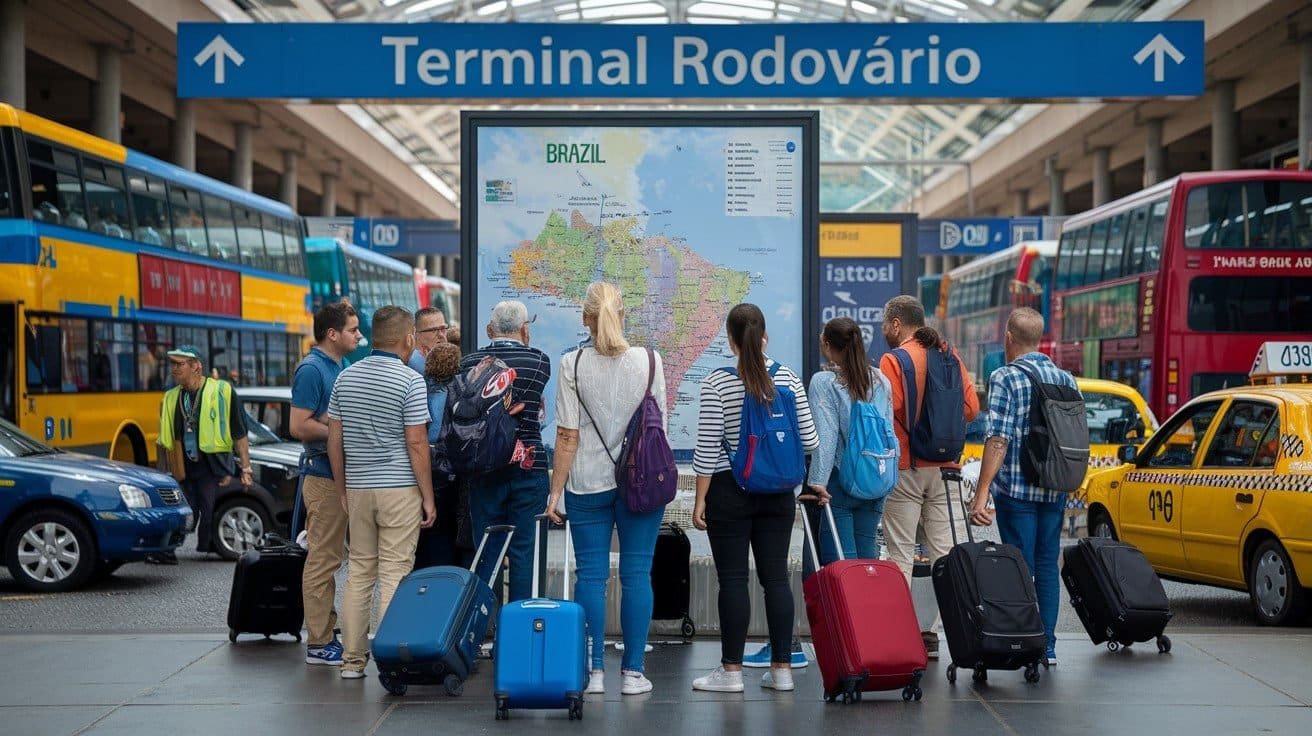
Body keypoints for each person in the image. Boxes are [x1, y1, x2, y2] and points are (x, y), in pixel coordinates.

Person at [545, 282, 668, 697]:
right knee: (637, 574)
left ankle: (595, 671)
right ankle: (633, 673)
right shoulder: (651, 361)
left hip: (586, 482)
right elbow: (659, 430)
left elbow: (566, 435)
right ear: (623, 314)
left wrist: (554, 492)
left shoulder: (572, 364)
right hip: (640, 484)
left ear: (586, 318)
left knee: (592, 577)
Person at [691, 303, 818, 693]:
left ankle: (730, 673)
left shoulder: (717, 382)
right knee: (776, 579)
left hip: (731, 491)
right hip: (779, 493)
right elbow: (810, 440)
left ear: (730, 338)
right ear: (765, 336)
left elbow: (707, 451)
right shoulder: (788, 379)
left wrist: (699, 503)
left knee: (732, 581)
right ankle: (781, 670)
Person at [327, 306, 436, 680]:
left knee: (359, 573)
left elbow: (334, 440)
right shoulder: (410, 381)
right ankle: (390, 661)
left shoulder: (345, 378)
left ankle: (352, 662)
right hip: (399, 489)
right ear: (408, 339)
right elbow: (417, 442)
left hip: (358, 488)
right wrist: (428, 496)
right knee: (393, 573)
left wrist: (343, 488)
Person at [969, 308, 1078, 667]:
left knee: (1018, 567)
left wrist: (982, 490)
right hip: (1055, 487)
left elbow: (998, 438)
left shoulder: (1005, 377)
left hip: (1017, 490)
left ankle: (1020, 641)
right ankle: (1046, 647)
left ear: (1008, 338)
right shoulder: (1065, 379)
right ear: (1041, 339)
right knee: (1047, 565)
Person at [878, 295, 979, 660]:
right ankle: (938, 633)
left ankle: (902, 635)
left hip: (906, 468)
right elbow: (971, 408)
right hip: (946, 469)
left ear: (895, 324)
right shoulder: (950, 355)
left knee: (900, 554)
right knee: (945, 557)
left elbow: (888, 410)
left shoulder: (893, 361)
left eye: (883, 324)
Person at [459, 300, 551, 604]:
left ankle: (484, 627)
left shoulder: (469, 362)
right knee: (525, 549)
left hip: (483, 466)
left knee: (486, 548)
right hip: (528, 464)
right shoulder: (539, 361)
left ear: (489, 329)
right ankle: (521, 626)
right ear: (525, 330)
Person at [289, 301, 362, 666]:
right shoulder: (312, 370)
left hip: (339, 476)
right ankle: (319, 642)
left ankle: (327, 633)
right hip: (323, 478)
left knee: (334, 557)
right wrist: (341, 432)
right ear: (332, 334)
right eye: (353, 330)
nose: (359, 335)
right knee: (323, 560)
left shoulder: (339, 365)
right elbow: (299, 425)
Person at [153, 345, 252, 564]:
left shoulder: (222, 391)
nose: (174, 370)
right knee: (183, 512)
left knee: (208, 510)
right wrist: (161, 473)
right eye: (172, 364)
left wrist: (245, 468)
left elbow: (239, 432)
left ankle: (211, 544)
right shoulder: (171, 397)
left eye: (179, 364)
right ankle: (166, 550)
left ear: (196, 366)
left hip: (212, 466)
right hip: (182, 467)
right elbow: (163, 440)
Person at [806, 316, 894, 562]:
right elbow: (888, 433)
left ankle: (845, 603)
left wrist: (818, 481)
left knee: (842, 561)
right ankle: (868, 601)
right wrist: (887, 479)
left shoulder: (825, 382)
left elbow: (826, 434)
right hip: (874, 478)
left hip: (840, 482)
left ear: (826, 344)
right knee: (867, 558)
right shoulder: (880, 380)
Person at [416, 341, 469, 569]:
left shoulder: (419, 386)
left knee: (429, 533)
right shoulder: (459, 389)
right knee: (447, 530)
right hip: (448, 470)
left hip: (426, 468)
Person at [407, 307, 449, 375]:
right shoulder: (414, 363)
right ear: (417, 334)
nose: (441, 335)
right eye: (433, 330)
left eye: (443, 328)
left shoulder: (444, 359)